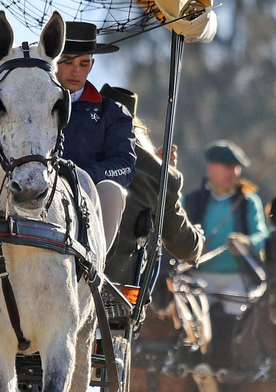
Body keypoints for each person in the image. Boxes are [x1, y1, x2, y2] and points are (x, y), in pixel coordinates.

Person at [97, 85, 203, 286]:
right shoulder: (155, 175)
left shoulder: (70, 146)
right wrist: (160, 170)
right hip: (116, 292)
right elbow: (185, 245)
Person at [184, 140, 267, 364]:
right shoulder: (191, 201)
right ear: (211, 167)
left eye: (237, 167)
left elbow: (262, 237)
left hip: (237, 279)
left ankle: (230, 367)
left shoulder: (249, 202)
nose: (235, 172)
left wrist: (247, 243)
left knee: (236, 324)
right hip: (198, 278)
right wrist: (192, 247)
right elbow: (177, 235)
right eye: (229, 166)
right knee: (188, 320)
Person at [55, 21, 135, 243]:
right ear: (53, 62)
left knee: (112, 190)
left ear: (92, 65)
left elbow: (124, 166)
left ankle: (95, 271)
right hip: (36, 189)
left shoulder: (112, 112)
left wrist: (82, 176)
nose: (76, 71)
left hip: (87, 196)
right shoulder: (30, 104)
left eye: (84, 63)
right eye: (67, 61)